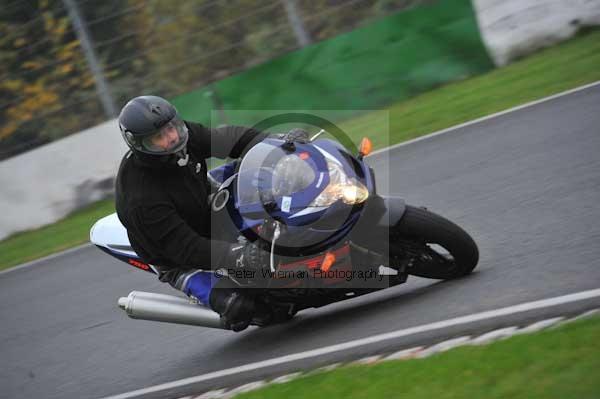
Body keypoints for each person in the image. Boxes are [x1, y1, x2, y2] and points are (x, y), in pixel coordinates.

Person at [115, 95, 269, 331]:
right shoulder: (141, 199)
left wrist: (276, 144)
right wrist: (239, 254)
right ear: (139, 143)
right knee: (238, 307)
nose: (172, 138)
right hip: (178, 257)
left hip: (203, 202)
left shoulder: (182, 135)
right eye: (159, 137)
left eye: (171, 128)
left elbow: (227, 139)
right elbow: (187, 248)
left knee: (259, 175)